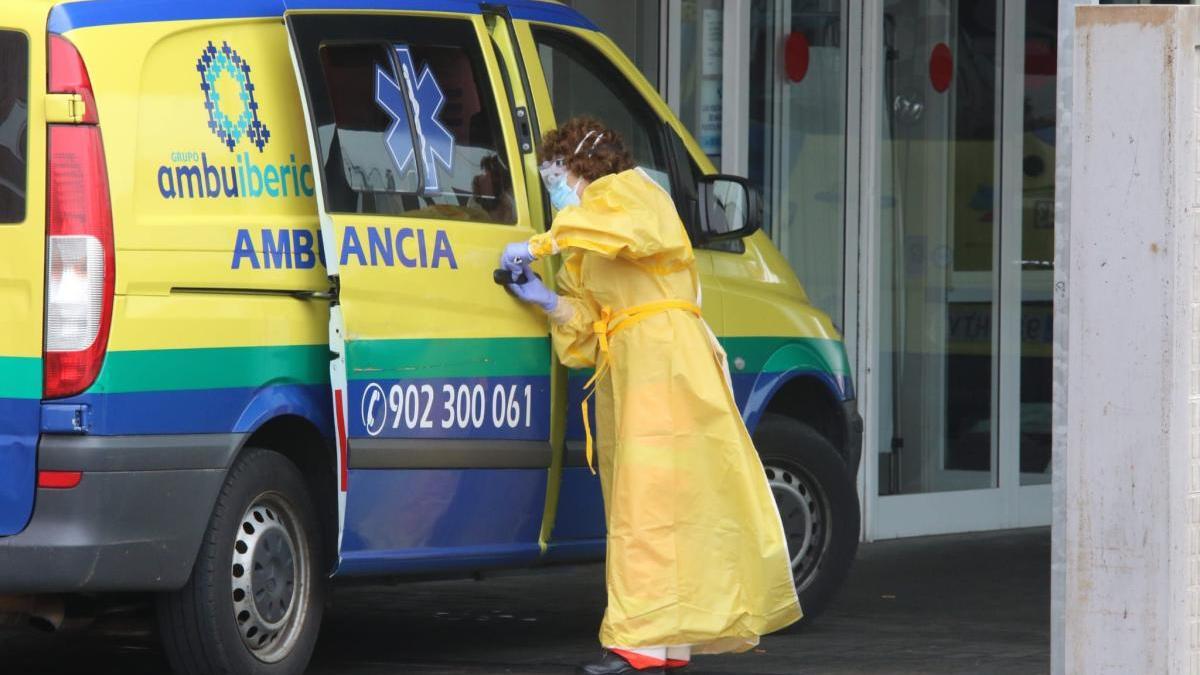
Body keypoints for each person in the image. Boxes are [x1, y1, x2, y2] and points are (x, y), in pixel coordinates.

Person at [499, 117, 801, 675]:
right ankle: (665, 643)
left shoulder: (631, 193)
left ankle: (640, 641)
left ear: (582, 164)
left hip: (667, 361)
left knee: (652, 503)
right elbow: (587, 328)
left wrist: (543, 241)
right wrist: (544, 299)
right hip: (634, 365)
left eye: (556, 175)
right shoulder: (583, 238)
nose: (555, 189)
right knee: (653, 505)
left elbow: (632, 233)